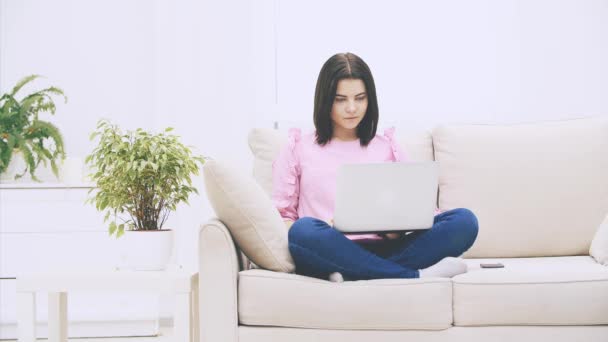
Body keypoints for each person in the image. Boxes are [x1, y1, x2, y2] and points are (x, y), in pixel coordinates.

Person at [271, 52, 479, 282]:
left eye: (360, 98)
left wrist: (394, 228)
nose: (352, 108)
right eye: (340, 99)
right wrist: (328, 230)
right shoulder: (298, 148)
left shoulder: (388, 146)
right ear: (325, 99)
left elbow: (418, 211)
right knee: (303, 231)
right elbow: (283, 219)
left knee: (464, 221)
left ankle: (354, 273)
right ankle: (413, 275)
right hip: (329, 247)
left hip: (386, 248)